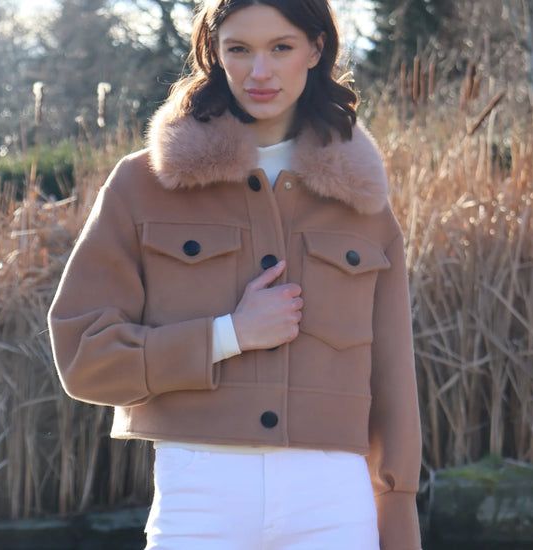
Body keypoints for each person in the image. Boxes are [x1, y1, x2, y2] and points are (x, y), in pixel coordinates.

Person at [48, 0, 422, 548]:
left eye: (281, 48)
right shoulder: (143, 184)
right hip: (200, 490)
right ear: (215, 55)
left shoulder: (363, 201)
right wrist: (228, 335)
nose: (260, 71)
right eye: (239, 49)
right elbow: (84, 356)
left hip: (333, 496)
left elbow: (394, 378)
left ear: (316, 50)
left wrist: (398, 509)